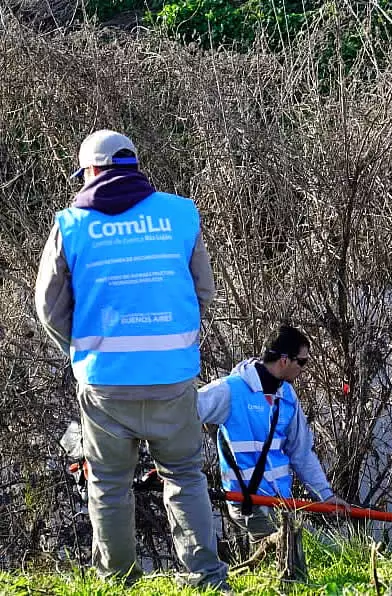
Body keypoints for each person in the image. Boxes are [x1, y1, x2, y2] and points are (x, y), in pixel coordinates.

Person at [35, 130, 229, 589]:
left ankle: (121, 580)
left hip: (105, 382)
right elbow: (204, 292)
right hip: (172, 376)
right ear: (135, 166)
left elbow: (48, 306)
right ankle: (206, 576)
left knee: (108, 484)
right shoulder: (181, 214)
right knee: (184, 475)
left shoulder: (71, 224)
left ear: (91, 171)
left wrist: (80, 347)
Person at [198, 324, 349, 542]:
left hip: (279, 503)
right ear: (284, 360)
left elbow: (301, 453)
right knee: (314, 550)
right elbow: (182, 414)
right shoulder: (230, 390)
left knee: (302, 553)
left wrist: (325, 495)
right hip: (247, 503)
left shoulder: (286, 396)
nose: (304, 369)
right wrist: (174, 462)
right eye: (302, 362)